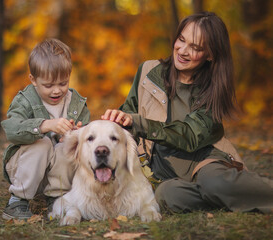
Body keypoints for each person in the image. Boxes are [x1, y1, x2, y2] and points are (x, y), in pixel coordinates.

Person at [102, 12, 273, 213]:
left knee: (213, 183)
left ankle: (230, 191)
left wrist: (138, 123)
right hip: (167, 174)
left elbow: (189, 135)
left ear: (210, 55)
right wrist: (108, 124)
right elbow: (128, 115)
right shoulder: (148, 71)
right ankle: (227, 198)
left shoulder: (212, 88)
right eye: (181, 40)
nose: (183, 51)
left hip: (205, 163)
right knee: (168, 196)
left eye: (196, 47)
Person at [1, 38, 90, 220]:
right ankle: (17, 201)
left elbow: (86, 133)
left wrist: (76, 136)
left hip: (56, 173)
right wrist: (43, 125)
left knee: (66, 148)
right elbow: (11, 129)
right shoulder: (25, 100)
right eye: (48, 85)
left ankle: (57, 198)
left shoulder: (76, 103)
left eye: (63, 83)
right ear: (33, 80)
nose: (56, 91)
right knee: (42, 143)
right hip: (24, 169)